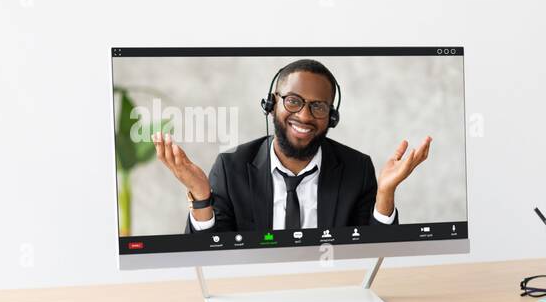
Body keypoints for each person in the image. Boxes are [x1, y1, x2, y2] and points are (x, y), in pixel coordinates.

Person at [152, 58, 431, 233]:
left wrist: (386, 192)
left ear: (332, 117)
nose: (305, 116)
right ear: (272, 104)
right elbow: (209, 258)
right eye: (293, 101)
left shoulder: (356, 169)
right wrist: (201, 196)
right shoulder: (231, 168)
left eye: (318, 107)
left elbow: (376, 256)